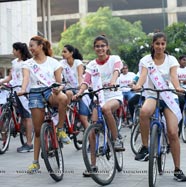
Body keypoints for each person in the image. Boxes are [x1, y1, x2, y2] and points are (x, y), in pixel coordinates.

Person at [132, 32, 186, 182]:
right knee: (144, 112)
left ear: (165, 45)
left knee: (172, 132)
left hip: (169, 95)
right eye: (157, 44)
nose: (160, 47)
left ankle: (177, 169)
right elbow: (143, 76)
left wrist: (177, 87)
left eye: (163, 44)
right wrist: (138, 85)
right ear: (153, 45)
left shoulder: (171, 60)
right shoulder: (146, 60)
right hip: (152, 95)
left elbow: (174, 77)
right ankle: (145, 147)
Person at [18, 36, 70, 173]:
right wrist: (23, 90)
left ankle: (60, 130)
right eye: (29, 46)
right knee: (38, 131)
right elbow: (26, 78)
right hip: (35, 93)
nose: (30, 48)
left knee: (63, 98)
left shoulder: (54, 62)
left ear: (41, 46)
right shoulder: (28, 63)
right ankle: (35, 163)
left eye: (32, 45)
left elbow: (59, 82)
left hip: (50, 91)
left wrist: (58, 88)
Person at [74, 35, 125, 176]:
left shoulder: (115, 59)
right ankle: (92, 166)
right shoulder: (91, 65)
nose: (100, 48)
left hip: (114, 96)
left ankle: (116, 140)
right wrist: (79, 92)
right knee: (91, 129)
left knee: (106, 108)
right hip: (98, 98)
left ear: (107, 47)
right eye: (97, 46)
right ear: (94, 48)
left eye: (103, 46)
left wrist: (113, 81)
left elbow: (116, 70)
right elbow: (86, 81)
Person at [0, 42, 33, 153]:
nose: (12, 52)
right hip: (14, 89)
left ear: (18, 50)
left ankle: (29, 144)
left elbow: (26, 77)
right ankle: (6, 139)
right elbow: (10, 77)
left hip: (23, 91)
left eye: (14, 49)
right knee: (12, 112)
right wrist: (2, 82)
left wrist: (23, 88)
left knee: (26, 116)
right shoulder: (14, 62)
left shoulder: (27, 62)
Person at [60, 44, 90, 129]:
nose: (62, 53)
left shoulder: (78, 62)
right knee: (68, 93)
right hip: (68, 89)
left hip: (79, 89)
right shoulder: (62, 63)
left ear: (71, 53)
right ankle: (67, 115)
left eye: (65, 52)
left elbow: (80, 76)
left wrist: (81, 87)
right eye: (62, 52)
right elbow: (58, 75)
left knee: (83, 116)